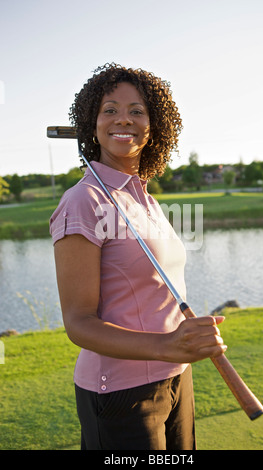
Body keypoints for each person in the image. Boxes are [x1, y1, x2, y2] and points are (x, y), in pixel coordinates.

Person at [50, 63, 227, 451]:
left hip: (176, 376)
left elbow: (157, 289)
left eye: (137, 110)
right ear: (91, 124)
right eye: (109, 110)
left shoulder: (144, 197)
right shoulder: (84, 200)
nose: (123, 119)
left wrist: (187, 339)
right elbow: (78, 324)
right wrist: (167, 345)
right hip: (121, 393)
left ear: (154, 125)